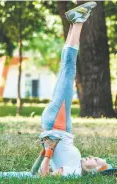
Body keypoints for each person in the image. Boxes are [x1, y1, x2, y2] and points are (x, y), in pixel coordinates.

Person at [30, 2, 112, 177]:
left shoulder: (73, 173)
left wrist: (48, 152)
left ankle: (79, 21)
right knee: (66, 69)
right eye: (97, 158)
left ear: (95, 171)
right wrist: (47, 152)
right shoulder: (76, 166)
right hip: (62, 126)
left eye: (96, 161)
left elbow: (45, 176)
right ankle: (75, 22)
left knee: (68, 70)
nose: (93, 157)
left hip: (56, 125)